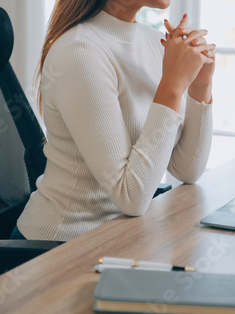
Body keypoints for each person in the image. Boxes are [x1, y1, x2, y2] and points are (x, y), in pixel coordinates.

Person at [11, 0, 216, 241]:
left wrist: (200, 85)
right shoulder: (79, 51)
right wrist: (172, 84)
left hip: (120, 236)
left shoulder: (153, 42)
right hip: (59, 247)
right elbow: (131, 197)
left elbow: (187, 169)